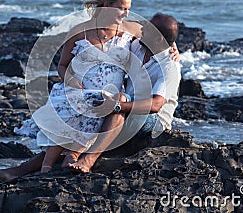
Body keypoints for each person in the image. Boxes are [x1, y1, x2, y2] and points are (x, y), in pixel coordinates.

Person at [0, 0, 141, 179]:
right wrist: (71, 79)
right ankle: (49, 167)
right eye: (121, 8)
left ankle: (50, 164)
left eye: (128, 9)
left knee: (90, 106)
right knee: (74, 105)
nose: (126, 13)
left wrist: (173, 48)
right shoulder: (79, 31)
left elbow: (160, 36)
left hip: (109, 97)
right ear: (105, 4)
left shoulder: (132, 30)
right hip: (80, 90)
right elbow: (62, 65)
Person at [68, 12, 181, 173]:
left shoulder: (169, 65)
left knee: (118, 100)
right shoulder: (138, 48)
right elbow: (120, 33)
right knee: (95, 100)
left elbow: (156, 105)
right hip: (127, 110)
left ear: (158, 40)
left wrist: (119, 105)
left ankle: (89, 159)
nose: (142, 29)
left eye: (147, 29)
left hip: (154, 121)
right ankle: (44, 164)